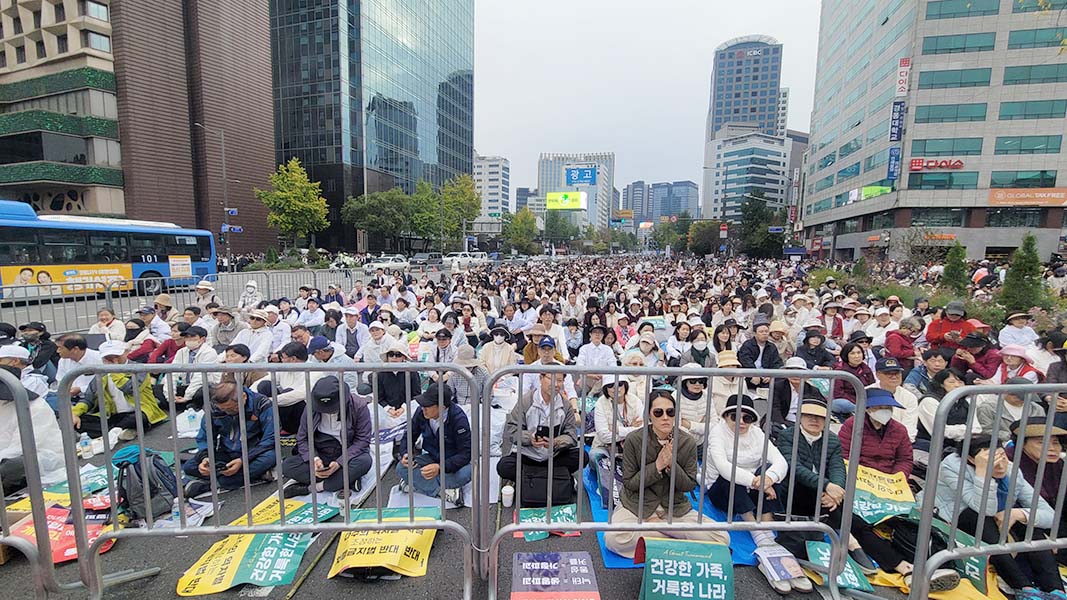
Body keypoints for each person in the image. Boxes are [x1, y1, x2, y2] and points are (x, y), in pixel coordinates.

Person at [603, 388, 729, 559]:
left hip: (674, 508)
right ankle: (682, 544)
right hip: (637, 506)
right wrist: (657, 466)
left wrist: (671, 466)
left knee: (721, 537)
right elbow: (630, 483)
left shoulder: (687, 441)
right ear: (649, 415)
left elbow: (689, 484)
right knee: (614, 538)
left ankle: (657, 535)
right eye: (658, 412)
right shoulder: (635, 439)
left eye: (670, 412)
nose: (665, 417)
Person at [932, 436, 1064, 598]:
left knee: (1029, 522)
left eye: (1002, 456)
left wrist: (1019, 514)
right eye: (991, 458)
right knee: (979, 518)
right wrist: (983, 473)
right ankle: (1023, 587)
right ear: (971, 459)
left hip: (997, 519)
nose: (1001, 465)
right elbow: (984, 509)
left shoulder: (1010, 469)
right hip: (956, 517)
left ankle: (1056, 589)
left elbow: (1050, 515)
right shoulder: (951, 467)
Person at [705, 394, 810, 592]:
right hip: (721, 488)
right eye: (736, 417)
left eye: (748, 417)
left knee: (770, 473)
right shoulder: (717, 433)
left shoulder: (757, 434)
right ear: (726, 416)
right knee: (731, 477)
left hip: (753, 486)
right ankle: (756, 530)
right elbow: (723, 467)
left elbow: (780, 461)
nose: (742, 422)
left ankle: (765, 525)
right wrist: (756, 482)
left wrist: (768, 478)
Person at [774, 399, 874, 570]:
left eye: (819, 417)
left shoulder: (832, 440)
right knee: (818, 494)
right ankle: (851, 543)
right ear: (800, 417)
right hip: (794, 491)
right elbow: (795, 468)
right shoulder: (787, 436)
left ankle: (898, 563)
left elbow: (838, 468)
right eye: (809, 416)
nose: (814, 420)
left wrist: (835, 491)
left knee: (857, 521)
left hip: (823, 496)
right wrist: (827, 486)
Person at [282, 376, 373, 498]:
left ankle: (313, 487)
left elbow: (362, 441)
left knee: (364, 462)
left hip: (348, 452)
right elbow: (302, 438)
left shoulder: (359, 406)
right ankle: (344, 481)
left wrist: (339, 463)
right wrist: (313, 459)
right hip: (322, 451)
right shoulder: (311, 408)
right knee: (288, 466)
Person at [497, 371, 585, 498]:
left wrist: (556, 442)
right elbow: (512, 430)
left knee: (582, 456)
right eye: (551, 379)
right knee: (504, 466)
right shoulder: (525, 401)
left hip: (554, 455)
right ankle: (556, 476)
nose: (556, 384)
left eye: (559, 381)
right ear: (541, 378)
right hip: (528, 455)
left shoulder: (566, 405)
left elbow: (571, 436)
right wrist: (529, 439)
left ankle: (532, 478)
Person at [182, 382, 277, 497]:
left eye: (232, 409)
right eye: (224, 410)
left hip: (254, 452)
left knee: (270, 458)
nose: (228, 412)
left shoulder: (262, 404)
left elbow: (271, 438)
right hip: (227, 451)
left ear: (243, 397)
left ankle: (215, 483)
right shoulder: (213, 408)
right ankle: (245, 475)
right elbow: (205, 437)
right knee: (189, 467)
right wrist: (206, 457)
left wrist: (243, 460)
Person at [394, 383, 472, 506]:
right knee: (401, 467)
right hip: (431, 457)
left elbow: (466, 454)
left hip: (452, 461)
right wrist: (405, 454)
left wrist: (440, 467)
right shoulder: (421, 412)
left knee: (467, 472)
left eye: (428, 405)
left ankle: (417, 484)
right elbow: (409, 435)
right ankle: (443, 492)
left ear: (441, 407)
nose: (423, 408)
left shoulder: (458, 419)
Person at [71, 341, 168, 439]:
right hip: (113, 415)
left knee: (138, 418)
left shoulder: (139, 369)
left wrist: (114, 371)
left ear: (126, 352)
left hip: (139, 411)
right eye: (107, 357)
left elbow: (131, 389)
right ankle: (120, 431)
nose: (113, 359)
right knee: (76, 421)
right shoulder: (101, 374)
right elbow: (88, 398)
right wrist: (75, 413)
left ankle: (113, 432)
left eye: (116, 355)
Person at [1005, 417, 1067, 551]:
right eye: (1041, 442)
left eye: (1055, 443)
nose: (1051, 448)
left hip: (1055, 521)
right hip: (1025, 526)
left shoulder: (1058, 464)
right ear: (1023, 443)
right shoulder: (1007, 463)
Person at [0, 364, 65, 488]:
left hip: (38, 457)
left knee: (13, 465)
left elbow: (20, 447)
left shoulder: (34, 407)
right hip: (5, 455)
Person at [590, 375, 644, 507]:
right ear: (605, 389)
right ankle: (611, 491)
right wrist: (630, 430)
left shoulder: (635, 400)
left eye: (619, 384)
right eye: (610, 386)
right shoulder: (600, 404)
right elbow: (604, 436)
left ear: (625, 385)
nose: (616, 388)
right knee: (595, 456)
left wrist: (617, 430)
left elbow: (643, 429)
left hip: (631, 446)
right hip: (605, 447)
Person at [254, 342, 318, 434]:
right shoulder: (284, 368)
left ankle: (278, 427)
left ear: (293, 359)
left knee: (288, 392)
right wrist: (251, 395)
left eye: (283, 357)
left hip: (302, 413)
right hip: (281, 406)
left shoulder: (315, 371)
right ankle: (268, 424)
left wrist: (268, 401)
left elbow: (299, 394)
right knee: (265, 385)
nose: (281, 360)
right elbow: (262, 381)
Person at [915, 368, 980, 452]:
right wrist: (966, 429)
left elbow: (977, 429)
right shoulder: (929, 401)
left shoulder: (966, 402)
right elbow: (941, 431)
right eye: (951, 382)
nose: (957, 385)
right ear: (941, 384)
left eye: (960, 382)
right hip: (930, 447)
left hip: (958, 446)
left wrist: (959, 430)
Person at [157, 326, 219, 410]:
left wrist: (187, 396)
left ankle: (188, 404)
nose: (189, 340)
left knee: (203, 391)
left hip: (202, 386)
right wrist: (170, 396)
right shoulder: (182, 352)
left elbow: (199, 377)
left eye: (192, 337)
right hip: (186, 385)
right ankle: (180, 403)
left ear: (202, 339)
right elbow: (173, 373)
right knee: (157, 389)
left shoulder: (209, 352)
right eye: (187, 337)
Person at [977, 377, 1046, 442]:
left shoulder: (1037, 409)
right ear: (1006, 392)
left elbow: (1042, 429)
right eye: (1019, 397)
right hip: (1002, 445)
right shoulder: (988, 407)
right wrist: (1011, 436)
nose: (1022, 400)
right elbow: (986, 430)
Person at [868, 357, 920, 441]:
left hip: (901, 442)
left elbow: (910, 427)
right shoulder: (866, 392)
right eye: (888, 373)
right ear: (878, 374)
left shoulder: (910, 397)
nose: (894, 377)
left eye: (897, 373)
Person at [373, 339, 422, 418]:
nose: (394, 357)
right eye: (391, 354)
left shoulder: (412, 372)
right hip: (386, 411)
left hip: (408, 409)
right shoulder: (380, 374)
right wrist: (388, 409)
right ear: (387, 357)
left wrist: (404, 408)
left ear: (403, 357)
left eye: (398, 355)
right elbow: (378, 397)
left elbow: (416, 395)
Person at [770, 356, 825, 425]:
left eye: (799, 371)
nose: (795, 375)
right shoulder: (777, 387)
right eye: (792, 371)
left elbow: (821, 410)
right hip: (783, 422)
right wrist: (782, 426)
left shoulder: (813, 391)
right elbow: (775, 410)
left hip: (805, 425)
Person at [738, 319, 782, 392]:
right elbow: (746, 361)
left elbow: (777, 363)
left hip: (766, 375)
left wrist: (771, 375)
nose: (764, 334)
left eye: (766, 331)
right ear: (755, 333)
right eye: (761, 332)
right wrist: (754, 374)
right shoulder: (747, 345)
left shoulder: (772, 347)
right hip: (751, 375)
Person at [831, 341, 875, 415]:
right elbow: (838, 393)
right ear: (846, 355)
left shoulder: (866, 368)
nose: (857, 356)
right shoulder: (840, 371)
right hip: (849, 401)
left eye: (859, 353)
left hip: (865, 399)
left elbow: (872, 384)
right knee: (842, 403)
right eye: (852, 353)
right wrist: (857, 401)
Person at [575, 324, 615, 396]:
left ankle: (592, 394)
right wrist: (591, 375)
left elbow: (613, 367)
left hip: (602, 381)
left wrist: (602, 375)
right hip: (587, 380)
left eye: (600, 332)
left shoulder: (608, 350)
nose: (597, 334)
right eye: (595, 332)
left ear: (603, 335)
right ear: (590, 334)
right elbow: (579, 366)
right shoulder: (584, 348)